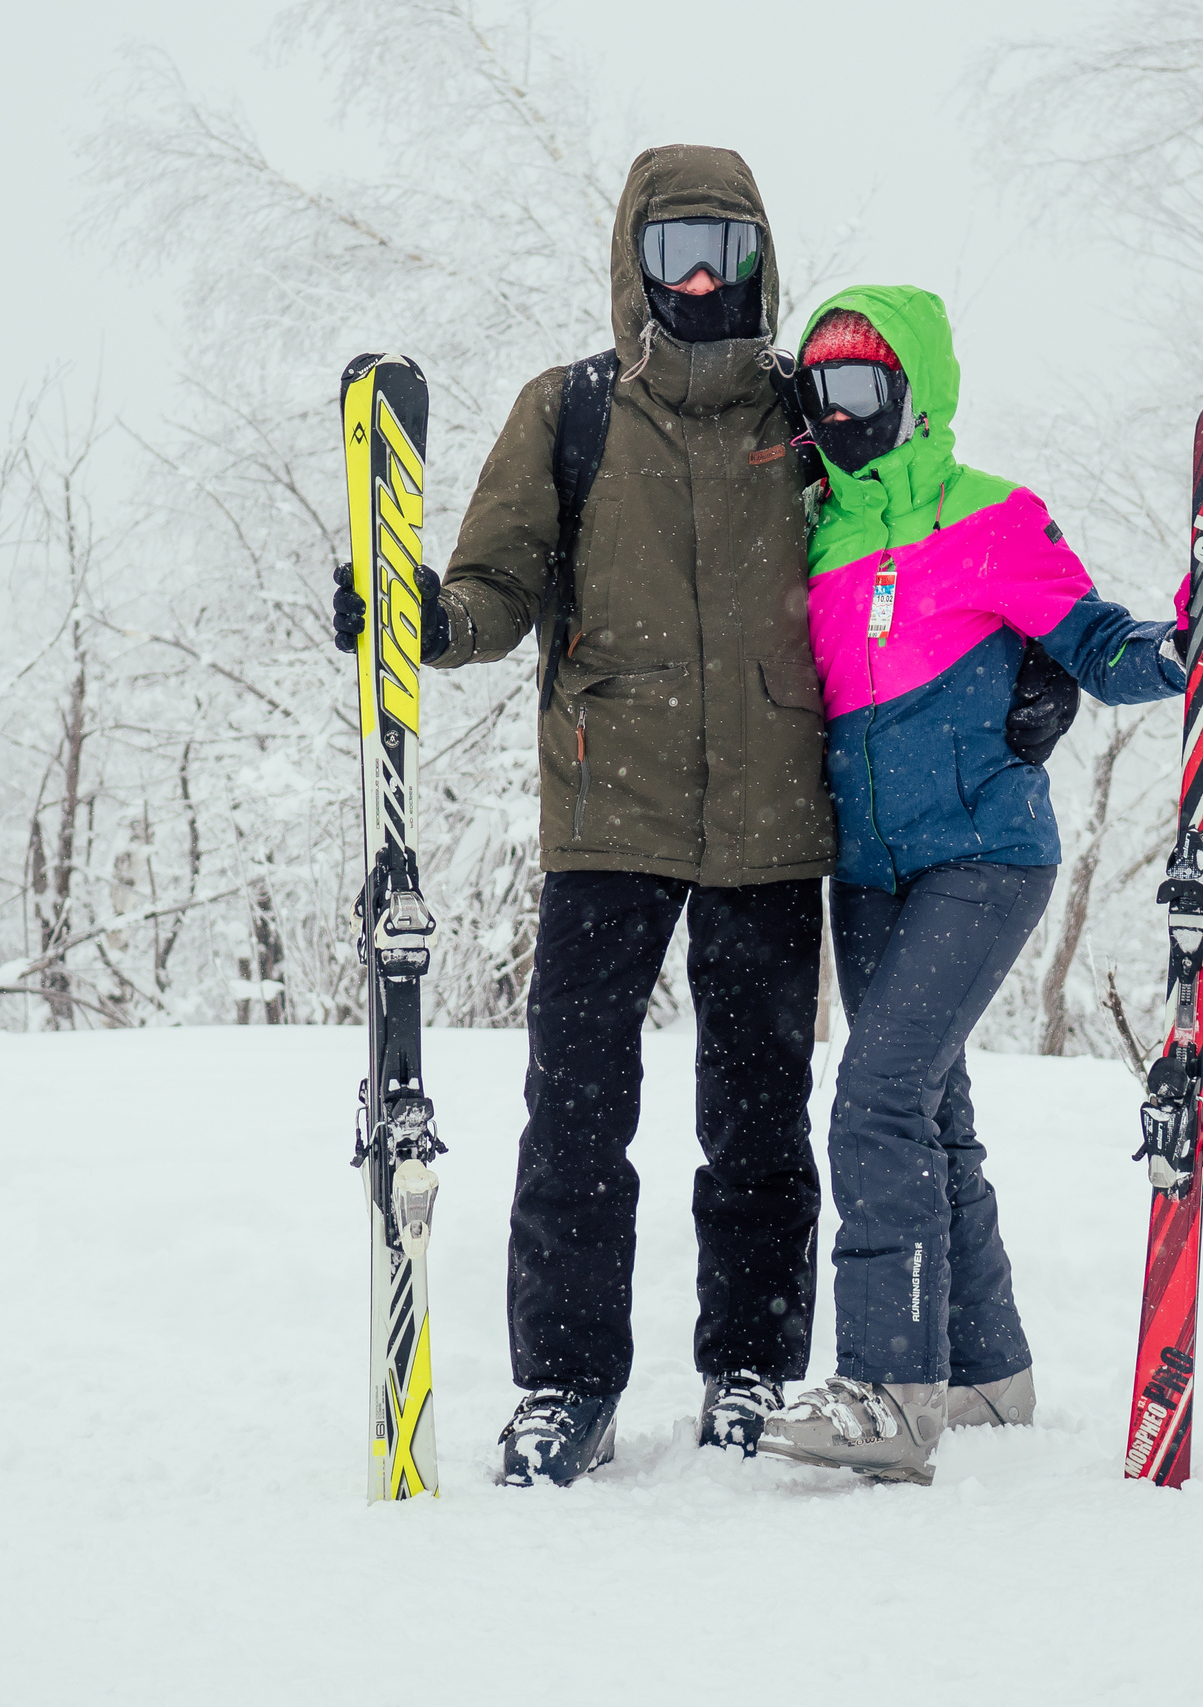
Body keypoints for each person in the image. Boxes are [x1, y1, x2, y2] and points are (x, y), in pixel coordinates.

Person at [336, 145, 833, 1486]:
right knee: (574, 1112)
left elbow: (910, 552)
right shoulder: (572, 410)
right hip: (610, 809)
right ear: (633, 262)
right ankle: (566, 1381)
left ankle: (752, 1368)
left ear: (759, 261)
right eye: (674, 249)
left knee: (762, 1113)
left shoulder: (811, 413)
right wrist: (421, 619)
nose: (699, 278)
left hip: (779, 818)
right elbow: (495, 586)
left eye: (725, 251)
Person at [752, 286, 1203, 1485]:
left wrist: (1182, 648)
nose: (838, 414)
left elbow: (1092, 642)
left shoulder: (989, 517)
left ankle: (890, 1391)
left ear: (914, 394)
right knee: (930, 1112)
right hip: (869, 872)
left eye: (864, 388)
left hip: (984, 858)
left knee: (873, 1096)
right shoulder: (811, 530)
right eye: (819, 392)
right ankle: (986, 1371)